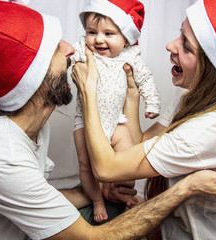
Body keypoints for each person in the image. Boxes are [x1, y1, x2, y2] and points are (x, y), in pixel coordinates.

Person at [0, 0, 216, 239]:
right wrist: (186, 188)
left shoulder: (28, 128)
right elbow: (95, 237)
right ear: (34, 79)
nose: (72, 49)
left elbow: (36, 195)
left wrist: (95, 194)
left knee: (119, 206)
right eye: (55, 49)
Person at [71, 0, 216, 239]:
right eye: (180, 34)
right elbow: (138, 147)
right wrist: (133, 93)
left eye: (186, 46)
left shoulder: (209, 129)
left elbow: (107, 167)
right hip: (164, 225)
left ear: (212, 68)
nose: (170, 46)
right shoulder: (190, 98)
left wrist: (88, 90)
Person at [71, 0, 161, 223]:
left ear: (126, 38)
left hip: (117, 123)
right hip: (85, 121)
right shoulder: (84, 50)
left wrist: (152, 103)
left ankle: (113, 189)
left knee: (128, 161)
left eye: (108, 33)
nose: (98, 39)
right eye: (92, 31)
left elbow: (145, 78)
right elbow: (68, 60)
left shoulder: (129, 56)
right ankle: (96, 200)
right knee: (86, 163)